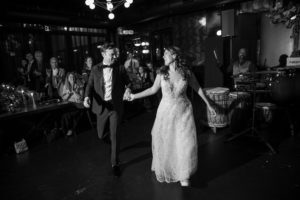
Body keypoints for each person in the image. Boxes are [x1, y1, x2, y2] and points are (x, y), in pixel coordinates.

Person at [126, 46, 216, 187]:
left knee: (184, 142)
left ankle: (183, 174)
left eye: (166, 54)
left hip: (183, 111)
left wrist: (208, 104)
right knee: (167, 141)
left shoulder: (186, 72)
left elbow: (198, 88)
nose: (163, 57)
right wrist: (133, 96)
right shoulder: (161, 72)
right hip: (165, 112)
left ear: (174, 55)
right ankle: (169, 167)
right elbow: (152, 89)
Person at [83, 43, 131, 177]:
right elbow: (89, 85)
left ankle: (115, 162)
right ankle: (114, 143)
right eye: (112, 54)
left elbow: (129, 83)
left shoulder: (120, 68)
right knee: (100, 135)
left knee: (115, 135)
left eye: (115, 54)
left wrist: (128, 89)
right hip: (101, 107)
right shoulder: (95, 69)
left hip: (115, 106)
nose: (115, 56)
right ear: (103, 54)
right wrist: (86, 97)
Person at [60, 72, 84, 136]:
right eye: (70, 77)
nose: (72, 78)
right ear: (67, 78)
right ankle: (66, 131)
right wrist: (68, 94)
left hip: (79, 106)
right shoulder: (66, 86)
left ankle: (71, 130)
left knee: (67, 114)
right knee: (63, 114)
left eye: (73, 77)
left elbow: (81, 98)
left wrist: (74, 92)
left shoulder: (79, 85)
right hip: (70, 105)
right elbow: (63, 98)